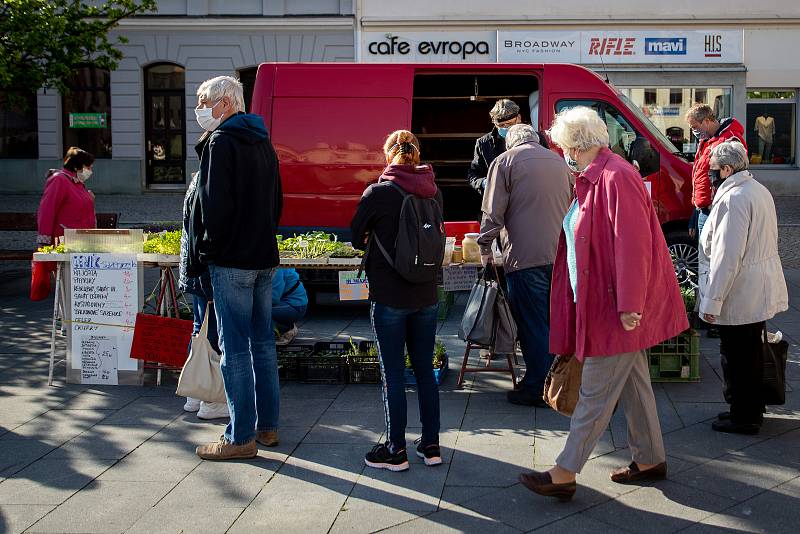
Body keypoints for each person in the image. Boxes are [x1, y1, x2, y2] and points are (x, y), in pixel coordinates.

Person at [519, 106, 688, 502]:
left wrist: (630, 305)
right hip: (608, 302)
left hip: (617, 307)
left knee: (594, 391)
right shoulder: (601, 176)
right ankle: (650, 459)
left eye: (564, 147)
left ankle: (564, 472)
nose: (562, 154)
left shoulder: (616, 177)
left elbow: (633, 247)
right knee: (634, 384)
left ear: (578, 146)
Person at [187, 75, 283, 461]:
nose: (200, 107)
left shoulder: (221, 142)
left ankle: (240, 436)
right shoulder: (263, 141)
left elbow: (213, 207)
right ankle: (268, 427)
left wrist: (210, 253)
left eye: (204, 100)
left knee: (235, 349)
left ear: (226, 102)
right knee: (262, 345)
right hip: (263, 257)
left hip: (232, 261)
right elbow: (277, 202)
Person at [351, 129, 443, 472]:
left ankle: (395, 450)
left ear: (389, 155)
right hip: (427, 294)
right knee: (423, 371)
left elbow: (355, 233)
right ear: (417, 154)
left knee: (392, 373)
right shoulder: (434, 191)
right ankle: (431, 445)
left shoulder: (378, 192)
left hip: (390, 295)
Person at [477, 124, 573, 406]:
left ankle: (537, 388)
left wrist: (484, 244)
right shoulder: (558, 161)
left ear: (512, 142)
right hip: (560, 256)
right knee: (552, 322)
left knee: (532, 326)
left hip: (524, 257)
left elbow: (492, 210)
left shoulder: (504, 162)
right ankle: (557, 382)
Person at [699, 140, 788, 435]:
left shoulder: (734, 198)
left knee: (737, 354)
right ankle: (745, 408)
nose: (711, 176)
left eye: (713, 170)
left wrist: (712, 302)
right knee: (748, 351)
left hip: (741, 290)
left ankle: (745, 416)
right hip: (755, 285)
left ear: (727, 169)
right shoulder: (756, 190)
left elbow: (727, 256)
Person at [178, 172, 227, 421]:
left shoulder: (198, 179)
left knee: (200, 331)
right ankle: (211, 399)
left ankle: (194, 393)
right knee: (213, 334)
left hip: (195, 270)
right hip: (206, 273)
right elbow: (206, 234)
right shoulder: (211, 182)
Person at [37, 147, 96, 247]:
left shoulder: (77, 183)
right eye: (88, 167)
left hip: (79, 241)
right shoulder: (59, 180)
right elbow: (47, 210)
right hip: (64, 241)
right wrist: (44, 240)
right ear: (76, 166)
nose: (90, 171)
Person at [467, 99, 522, 194]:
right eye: (501, 125)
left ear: (519, 118)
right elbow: (473, 174)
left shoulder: (535, 139)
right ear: (495, 124)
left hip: (526, 196)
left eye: (509, 124)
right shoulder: (483, 143)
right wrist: (484, 183)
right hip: (498, 198)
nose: (506, 128)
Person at [272, 268, 308, 345]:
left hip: (294, 306)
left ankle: (285, 329)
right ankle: (286, 326)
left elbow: (274, 298)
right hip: (292, 304)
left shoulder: (277, 270)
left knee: (258, 311)